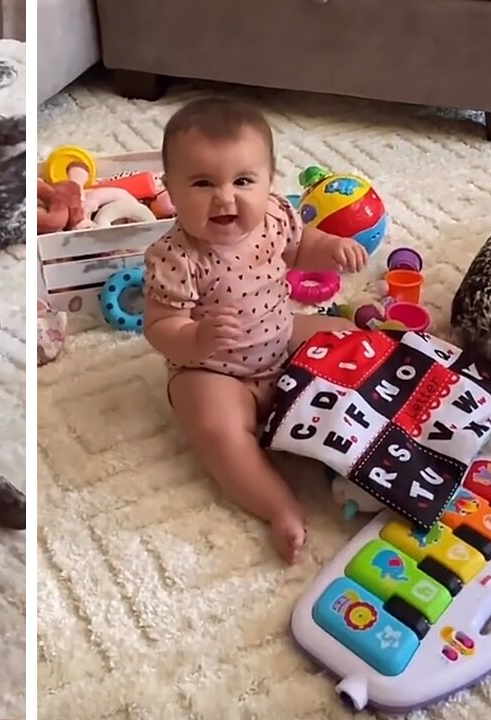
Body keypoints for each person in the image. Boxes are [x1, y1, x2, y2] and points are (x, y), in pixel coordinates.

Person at [142, 97, 368, 563]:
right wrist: (195, 339)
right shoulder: (174, 256)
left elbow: (303, 247)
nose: (226, 197)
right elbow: (160, 325)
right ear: (170, 191)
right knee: (213, 427)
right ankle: (276, 502)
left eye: (244, 181)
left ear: (269, 182)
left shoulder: (276, 219)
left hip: (281, 334)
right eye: (203, 183)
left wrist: (333, 249)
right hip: (214, 370)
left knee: (351, 342)